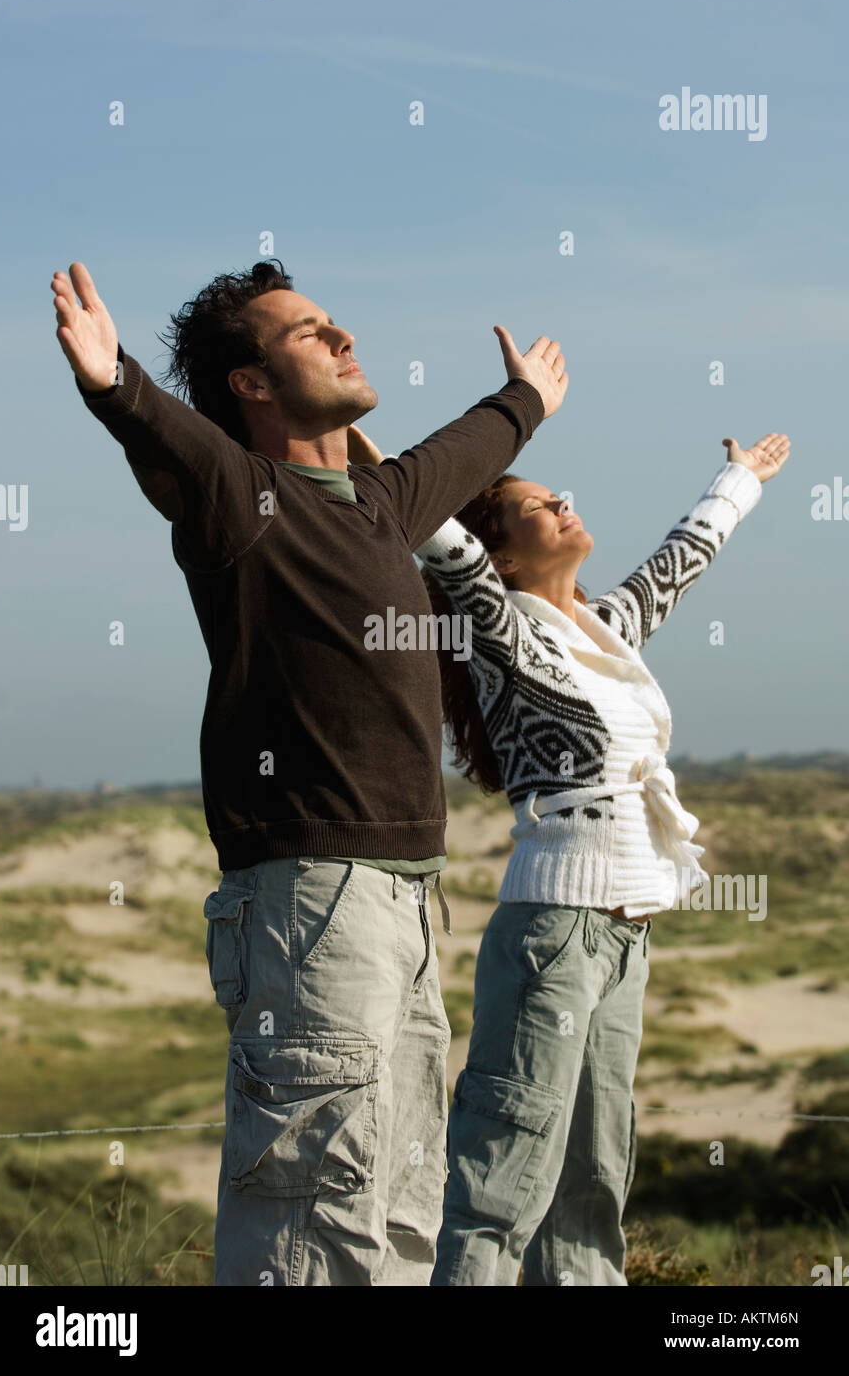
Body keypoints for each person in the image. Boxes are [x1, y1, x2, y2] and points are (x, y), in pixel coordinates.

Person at [51, 257, 568, 1285]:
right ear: (250, 384)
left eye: (335, 322)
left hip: (410, 901)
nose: (340, 338)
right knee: (312, 1229)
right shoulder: (244, 498)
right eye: (307, 333)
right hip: (311, 902)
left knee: (400, 1209)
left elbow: (462, 452)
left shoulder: (379, 502)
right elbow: (174, 442)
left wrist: (526, 400)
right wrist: (115, 387)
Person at [353, 424, 789, 1284]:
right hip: (555, 927)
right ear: (502, 557)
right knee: (502, 1175)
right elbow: (439, 534)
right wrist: (365, 450)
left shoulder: (604, 625)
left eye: (558, 497)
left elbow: (681, 560)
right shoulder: (497, 627)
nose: (561, 505)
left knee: (590, 1184)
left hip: (624, 931)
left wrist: (737, 479)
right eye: (533, 506)